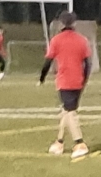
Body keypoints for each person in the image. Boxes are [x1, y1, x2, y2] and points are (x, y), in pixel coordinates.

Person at [39, 11, 93, 159]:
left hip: (64, 81)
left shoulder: (56, 40)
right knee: (66, 110)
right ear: (74, 23)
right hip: (78, 80)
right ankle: (59, 142)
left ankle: (80, 143)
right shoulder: (82, 40)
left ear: (61, 23)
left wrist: (42, 77)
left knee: (70, 113)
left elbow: (48, 61)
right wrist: (84, 79)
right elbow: (88, 63)